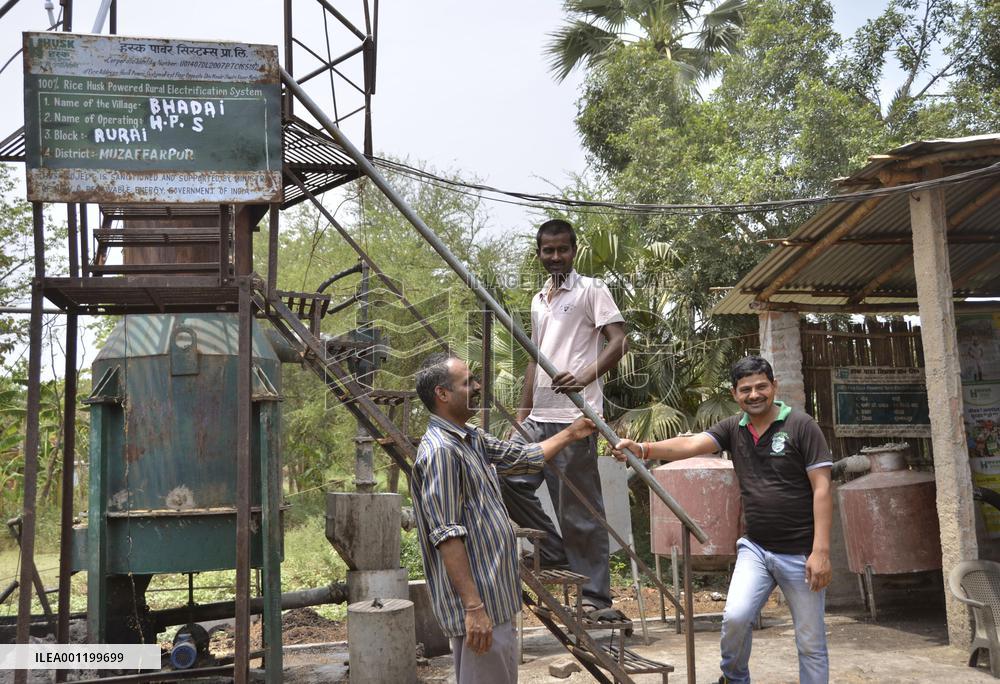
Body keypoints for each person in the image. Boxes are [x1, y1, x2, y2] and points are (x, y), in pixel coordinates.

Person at [613, 356, 833, 684]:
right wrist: (643, 448)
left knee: (811, 641)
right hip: (756, 549)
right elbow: (689, 444)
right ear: (735, 394)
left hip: (800, 553)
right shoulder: (734, 428)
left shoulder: (801, 426)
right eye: (746, 389)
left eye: (761, 387)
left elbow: (822, 488)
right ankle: (733, 677)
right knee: (735, 618)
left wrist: (821, 551)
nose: (754, 394)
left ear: (774, 387)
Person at [411, 352, 595, 684]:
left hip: (495, 602)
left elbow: (525, 457)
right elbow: (448, 535)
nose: (478, 386)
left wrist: (571, 433)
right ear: (442, 394)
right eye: (468, 382)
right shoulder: (442, 451)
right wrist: (473, 608)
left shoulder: (471, 440)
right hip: (480, 607)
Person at [500, 218, 628, 616]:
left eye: (562, 249)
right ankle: (553, 551)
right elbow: (534, 359)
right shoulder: (540, 299)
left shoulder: (592, 289)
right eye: (548, 250)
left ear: (574, 251)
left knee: (579, 511)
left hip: (576, 417)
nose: (555, 256)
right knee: (502, 473)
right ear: (539, 254)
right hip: (537, 416)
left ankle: (595, 598)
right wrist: (521, 415)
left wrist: (585, 375)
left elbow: (619, 341)